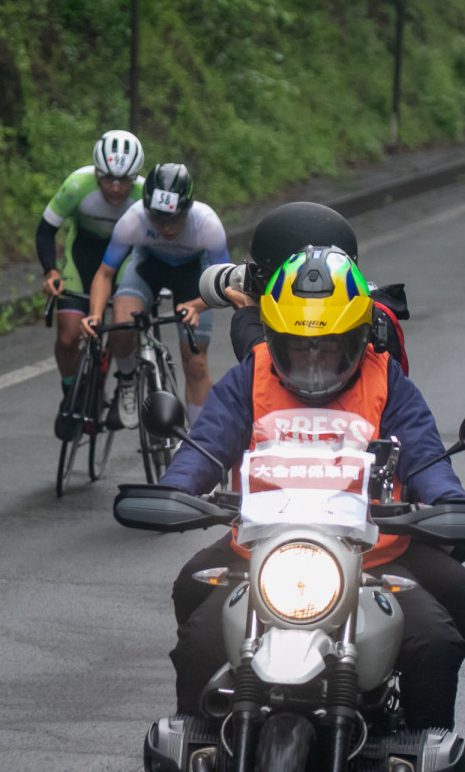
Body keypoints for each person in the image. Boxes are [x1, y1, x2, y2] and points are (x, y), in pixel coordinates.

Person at [160, 247, 465, 730]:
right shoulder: (252, 374)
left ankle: (421, 746)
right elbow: (206, 445)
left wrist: (448, 502)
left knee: (436, 641)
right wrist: (174, 489)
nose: (315, 360)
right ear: (274, 336)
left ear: (360, 338)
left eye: (330, 346)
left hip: (373, 555)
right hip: (260, 550)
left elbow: (426, 457)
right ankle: (199, 743)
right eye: (300, 347)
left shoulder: (387, 379)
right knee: (198, 629)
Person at [81, 163, 229, 428]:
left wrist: (196, 305)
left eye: (174, 219)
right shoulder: (134, 219)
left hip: (193, 275)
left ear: (188, 209)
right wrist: (94, 315)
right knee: (121, 324)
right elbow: (105, 274)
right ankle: (126, 381)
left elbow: (225, 284)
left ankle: (201, 445)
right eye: (157, 218)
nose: (166, 227)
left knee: (195, 365)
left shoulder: (207, 224)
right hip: (148, 268)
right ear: (147, 209)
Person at [35, 129, 145, 439]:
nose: (115, 187)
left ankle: (124, 381)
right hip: (82, 259)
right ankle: (71, 392)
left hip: (125, 261)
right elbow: (45, 231)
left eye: (124, 180)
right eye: (108, 177)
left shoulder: (144, 196)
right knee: (68, 337)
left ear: (135, 177)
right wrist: (50, 271)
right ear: (96, 171)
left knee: (123, 325)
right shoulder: (76, 186)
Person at [219, 201, 409, 373]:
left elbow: (283, 385)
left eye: (267, 277)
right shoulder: (374, 317)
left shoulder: (356, 340)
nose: (258, 287)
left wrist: (247, 323)